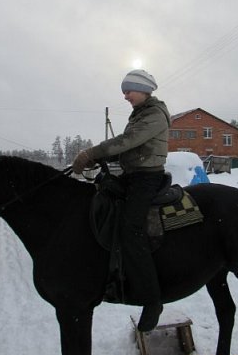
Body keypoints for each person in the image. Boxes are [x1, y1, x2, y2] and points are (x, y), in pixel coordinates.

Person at [72, 69, 171, 332]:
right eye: (124, 92)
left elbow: (128, 141)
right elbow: (132, 149)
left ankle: (152, 299)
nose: (125, 96)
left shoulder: (154, 115)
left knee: (131, 228)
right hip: (133, 175)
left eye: (128, 91)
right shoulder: (140, 113)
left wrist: (90, 153)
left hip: (147, 179)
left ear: (143, 89)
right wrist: (100, 159)